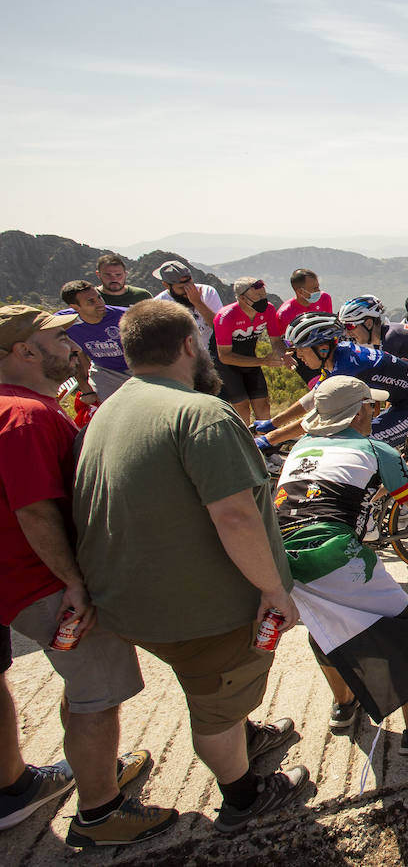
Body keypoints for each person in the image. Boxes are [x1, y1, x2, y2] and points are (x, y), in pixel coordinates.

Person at [73, 300, 307, 833]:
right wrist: (273, 589)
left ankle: (244, 736)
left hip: (132, 597)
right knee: (215, 699)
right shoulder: (202, 414)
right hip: (201, 609)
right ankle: (244, 796)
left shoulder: (110, 409)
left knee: (213, 686)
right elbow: (235, 515)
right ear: (187, 346)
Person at [0, 305, 174, 846]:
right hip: (41, 580)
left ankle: (55, 778)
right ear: (26, 351)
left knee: (80, 687)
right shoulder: (25, 417)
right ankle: (100, 812)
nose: (71, 345)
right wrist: (73, 581)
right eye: (56, 337)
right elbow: (35, 510)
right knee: (98, 691)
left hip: (14, 578)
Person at [272, 376, 408, 752]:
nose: (377, 409)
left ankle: (344, 704)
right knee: (402, 623)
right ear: (358, 413)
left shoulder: (301, 446)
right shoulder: (377, 450)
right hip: (331, 548)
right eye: (372, 405)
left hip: (279, 551)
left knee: (324, 624)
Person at [256, 313, 408, 450]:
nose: (298, 355)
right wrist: (273, 423)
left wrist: (270, 438)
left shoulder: (348, 369)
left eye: (301, 350)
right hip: (403, 403)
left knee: (356, 446)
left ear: (322, 348)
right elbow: (313, 398)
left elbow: (317, 417)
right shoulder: (338, 356)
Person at [213, 278, 290, 426]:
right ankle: (246, 442)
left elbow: (275, 341)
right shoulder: (225, 316)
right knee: (242, 408)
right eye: (258, 297)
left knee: (263, 405)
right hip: (228, 365)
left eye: (264, 295)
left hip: (251, 359)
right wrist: (262, 361)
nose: (263, 300)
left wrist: (283, 355)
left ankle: (266, 441)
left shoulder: (268, 309)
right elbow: (224, 356)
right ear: (242, 298)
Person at [55, 280, 131, 403]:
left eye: (99, 297)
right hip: (104, 371)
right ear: (75, 307)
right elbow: (75, 358)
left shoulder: (125, 316)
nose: (100, 303)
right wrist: (86, 389)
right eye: (91, 301)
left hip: (138, 369)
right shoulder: (63, 322)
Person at [152, 259, 223, 351]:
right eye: (181, 288)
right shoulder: (159, 304)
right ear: (166, 285)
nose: (188, 290)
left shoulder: (208, 293)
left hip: (211, 355)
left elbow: (220, 328)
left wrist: (198, 302)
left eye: (190, 284)